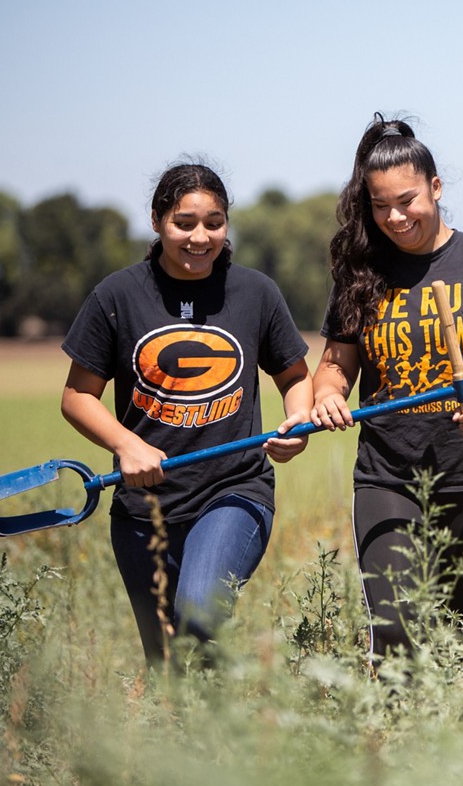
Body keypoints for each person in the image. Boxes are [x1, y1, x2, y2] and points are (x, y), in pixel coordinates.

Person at [311, 114, 463, 664]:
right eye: (379, 205)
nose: (394, 217)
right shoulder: (361, 274)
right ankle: (395, 742)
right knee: (395, 631)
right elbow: (334, 366)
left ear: (436, 188)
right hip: (388, 474)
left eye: (407, 200)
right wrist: (328, 394)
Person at [60, 163, 314, 664]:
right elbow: (77, 396)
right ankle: (216, 736)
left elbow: (296, 378)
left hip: (233, 491)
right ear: (157, 222)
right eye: (185, 222)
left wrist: (297, 425)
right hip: (141, 508)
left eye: (214, 223)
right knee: (170, 663)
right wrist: (125, 445)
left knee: (199, 615)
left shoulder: (256, 293)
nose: (200, 237)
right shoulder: (117, 295)